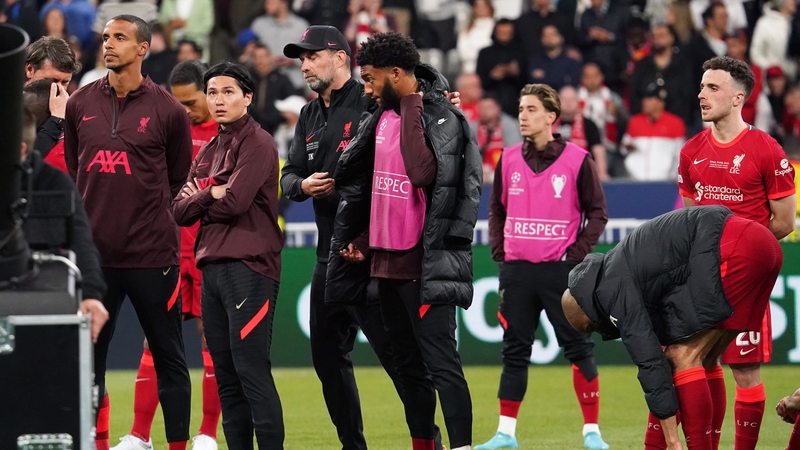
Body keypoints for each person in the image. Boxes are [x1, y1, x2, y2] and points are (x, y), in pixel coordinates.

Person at [328, 31, 481, 450]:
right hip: (384, 264)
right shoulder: (378, 117)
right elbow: (371, 183)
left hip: (425, 264)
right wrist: (363, 235)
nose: (368, 87)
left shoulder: (442, 118)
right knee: (409, 369)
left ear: (397, 74)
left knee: (442, 365)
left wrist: (415, 103)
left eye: (373, 78)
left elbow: (421, 174)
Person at [281, 25, 420, 450]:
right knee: (327, 359)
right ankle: (352, 446)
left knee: (398, 359)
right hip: (328, 255)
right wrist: (302, 188)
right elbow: (288, 175)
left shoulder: (370, 102)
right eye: (300, 59)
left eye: (311, 57)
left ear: (339, 58)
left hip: (369, 253)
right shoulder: (307, 114)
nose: (304, 65)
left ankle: (427, 439)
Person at [63, 15, 193, 450]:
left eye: (120, 37)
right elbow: (76, 168)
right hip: (95, 260)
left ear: (143, 48)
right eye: (105, 37)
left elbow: (177, 179)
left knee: (170, 357)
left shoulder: (170, 111)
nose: (109, 44)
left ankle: (176, 445)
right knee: (89, 365)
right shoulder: (79, 104)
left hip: (153, 255)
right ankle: (94, 445)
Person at [563, 205, 784, 450]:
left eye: (590, 326)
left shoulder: (611, 289)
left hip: (732, 249)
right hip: (764, 244)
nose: (599, 329)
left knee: (680, 355)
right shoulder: (618, 266)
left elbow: (651, 363)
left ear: (587, 309)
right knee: (707, 358)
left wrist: (672, 440)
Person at [476, 83, 608, 450]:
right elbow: (497, 209)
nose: (522, 115)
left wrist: (575, 255)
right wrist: (501, 253)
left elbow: (598, 212)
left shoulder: (578, 160)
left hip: (559, 272)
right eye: (520, 108)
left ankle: (592, 432)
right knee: (514, 350)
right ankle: (505, 433)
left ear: (552, 116)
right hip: (517, 271)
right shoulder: (508, 158)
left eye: (531, 109)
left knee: (578, 347)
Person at [676, 55, 796, 450]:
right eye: (701, 87)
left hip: (745, 279)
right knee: (700, 361)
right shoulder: (692, 150)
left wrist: (745, 252)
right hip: (702, 275)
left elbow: (785, 221)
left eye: (713, 87)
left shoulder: (766, 149)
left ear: (738, 97)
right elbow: (686, 218)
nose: (702, 95)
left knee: (744, 367)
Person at [111, 60, 222, 450]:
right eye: (179, 102)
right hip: (169, 249)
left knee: (212, 340)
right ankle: (140, 434)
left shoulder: (229, 132)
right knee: (153, 342)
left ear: (209, 93)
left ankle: (207, 434)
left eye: (191, 103)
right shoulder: (164, 127)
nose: (185, 111)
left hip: (210, 250)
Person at [172, 61, 284, 449]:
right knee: (226, 374)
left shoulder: (259, 142)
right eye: (213, 92)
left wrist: (206, 195)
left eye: (228, 92)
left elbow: (234, 202)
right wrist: (212, 192)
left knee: (250, 368)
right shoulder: (210, 149)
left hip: (249, 265)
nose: (218, 100)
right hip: (213, 266)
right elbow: (178, 211)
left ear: (248, 97)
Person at [19, 106, 109, 344]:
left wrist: (91, 295)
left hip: (40, 296)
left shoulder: (55, 184)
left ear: (20, 150)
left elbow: (81, 241)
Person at [24, 37, 81, 165]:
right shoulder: (7, 106)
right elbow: (23, 162)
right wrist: (56, 120)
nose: (59, 89)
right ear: (30, 70)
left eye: (65, 82)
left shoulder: (73, 114)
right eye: (52, 81)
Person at [620, 83, 686, 181]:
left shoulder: (675, 123)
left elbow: (680, 155)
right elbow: (623, 149)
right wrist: (629, 147)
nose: (644, 102)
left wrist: (674, 177)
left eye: (650, 99)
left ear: (661, 102)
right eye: (644, 98)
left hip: (664, 181)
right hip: (635, 180)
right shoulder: (634, 121)